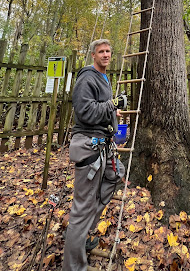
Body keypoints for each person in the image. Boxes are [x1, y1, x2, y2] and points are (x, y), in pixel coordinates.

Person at [62, 39, 125, 271]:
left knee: (116, 173)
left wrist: (114, 114)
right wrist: (111, 104)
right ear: (93, 55)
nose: (106, 55)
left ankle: (87, 231)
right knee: (80, 210)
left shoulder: (104, 78)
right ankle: (73, 266)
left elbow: (103, 109)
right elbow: (85, 112)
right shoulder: (87, 78)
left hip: (103, 145)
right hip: (89, 146)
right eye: (101, 52)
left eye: (108, 51)